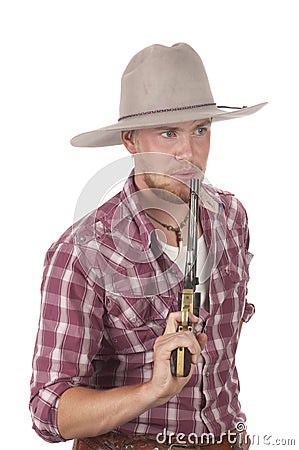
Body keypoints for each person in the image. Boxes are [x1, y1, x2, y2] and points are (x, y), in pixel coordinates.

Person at [30, 43, 266, 449]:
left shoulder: (231, 218)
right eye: (168, 133)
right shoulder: (82, 253)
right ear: (130, 140)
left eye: (200, 130)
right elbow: (49, 412)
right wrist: (152, 390)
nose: (188, 153)